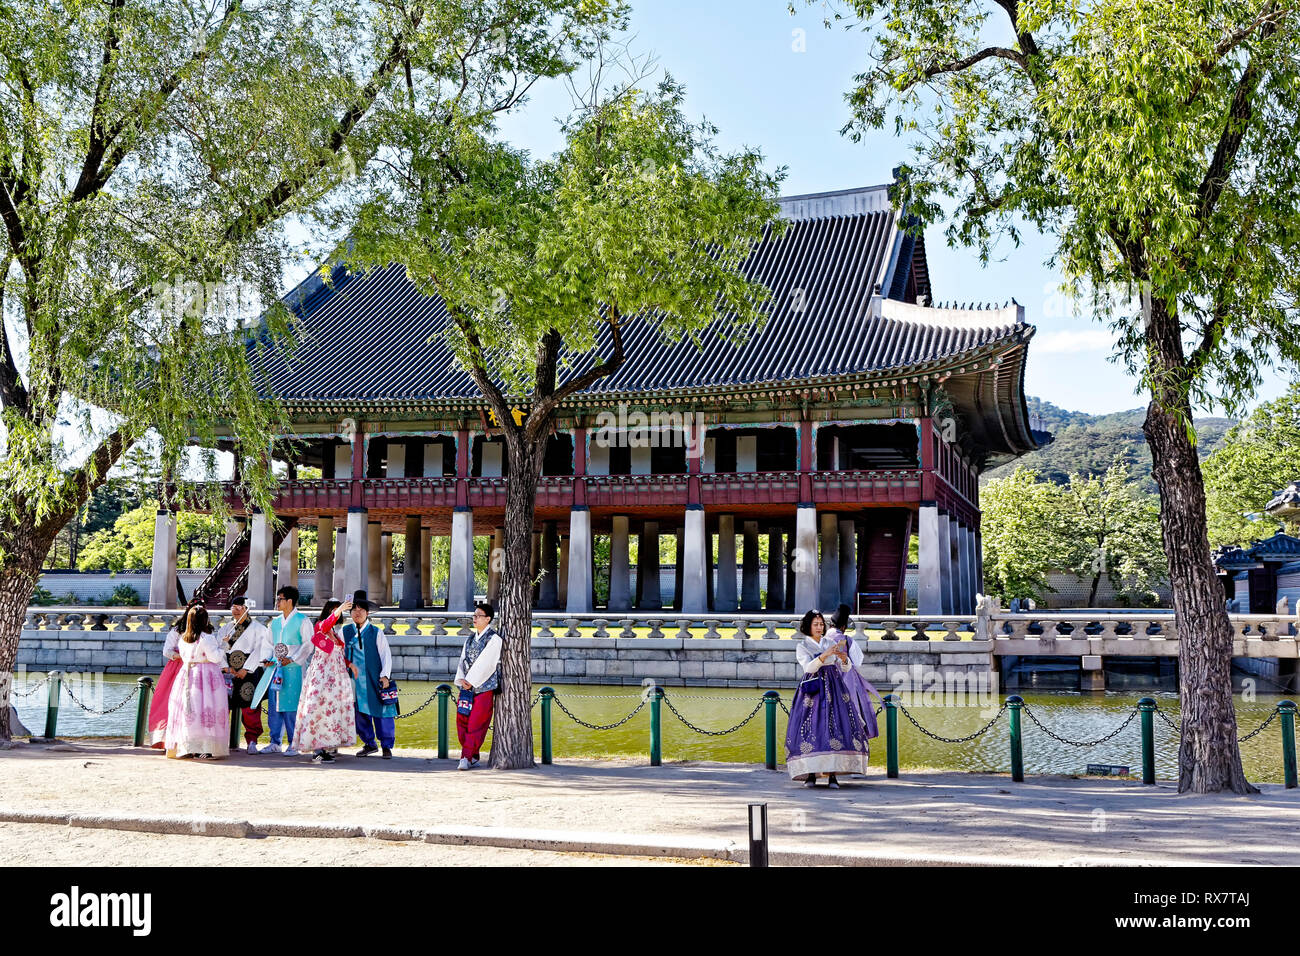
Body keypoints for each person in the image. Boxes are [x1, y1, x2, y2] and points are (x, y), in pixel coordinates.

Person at [784, 604, 880, 789]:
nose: (819, 627)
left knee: (835, 727)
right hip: (813, 690)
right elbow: (808, 668)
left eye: (821, 624)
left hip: (834, 687)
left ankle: (833, 776)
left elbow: (845, 667)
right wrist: (824, 656)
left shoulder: (829, 642)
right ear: (808, 626)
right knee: (811, 728)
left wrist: (844, 659)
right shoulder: (802, 645)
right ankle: (811, 774)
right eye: (815, 624)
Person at [292, 598, 357, 763]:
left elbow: (338, 655)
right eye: (335, 610)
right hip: (321, 677)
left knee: (331, 710)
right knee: (317, 709)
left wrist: (351, 665)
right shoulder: (320, 627)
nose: (338, 612)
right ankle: (317, 749)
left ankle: (325, 746)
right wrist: (339, 609)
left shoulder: (334, 633)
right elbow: (326, 624)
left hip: (334, 677)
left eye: (339, 610)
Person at [164, 604, 230, 759]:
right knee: (206, 708)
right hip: (205, 675)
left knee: (188, 710)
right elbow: (215, 657)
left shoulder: (183, 639)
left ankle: (186, 746)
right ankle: (204, 748)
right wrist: (224, 646)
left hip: (187, 674)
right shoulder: (207, 638)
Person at [342, 590, 396, 759]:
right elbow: (339, 654)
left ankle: (386, 745)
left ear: (367, 613)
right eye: (354, 609)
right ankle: (369, 743)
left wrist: (385, 676)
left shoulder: (376, 632)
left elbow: (385, 655)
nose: (357, 613)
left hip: (375, 678)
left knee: (382, 711)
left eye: (361, 609)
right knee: (359, 712)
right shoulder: (345, 631)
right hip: (354, 680)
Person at [260, 585, 313, 755]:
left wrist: (293, 658)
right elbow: (268, 644)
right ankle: (275, 742)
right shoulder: (275, 623)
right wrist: (267, 659)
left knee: (292, 706)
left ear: (289, 601)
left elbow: (308, 644)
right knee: (274, 705)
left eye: (280, 599)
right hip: (276, 667)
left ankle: (294, 742)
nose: (277, 602)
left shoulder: (302, 620)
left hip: (294, 669)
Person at [215, 594, 270, 754]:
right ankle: (220, 740)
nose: (236, 611)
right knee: (223, 706)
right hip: (228, 671)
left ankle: (252, 740)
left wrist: (247, 668)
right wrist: (226, 667)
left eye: (240, 608)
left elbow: (261, 649)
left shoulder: (259, 628)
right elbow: (218, 649)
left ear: (247, 609)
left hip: (249, 671)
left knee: (249, 707)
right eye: (234, 607)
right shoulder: (225, 628)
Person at [453, 601, 503, 770]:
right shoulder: (470, 638)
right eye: (474, 615)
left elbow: (487, 664)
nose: (474, 618)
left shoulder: (494, 639)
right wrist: (462, 680)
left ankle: (465, 757)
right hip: (466, 688)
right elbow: (462, 660)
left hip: (484, 688)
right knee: (462, 722)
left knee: (476, 724)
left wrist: (471, 681)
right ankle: (472, 755)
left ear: (488, 619)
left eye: (478, 616)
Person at [148, 603, 201, 748]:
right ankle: (167, 739)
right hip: (178, 668)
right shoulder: (177, 631)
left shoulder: (205, 631)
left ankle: (193, 740)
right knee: (170, 702)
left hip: (198, 668)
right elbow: (167, 651)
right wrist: (181, 655)